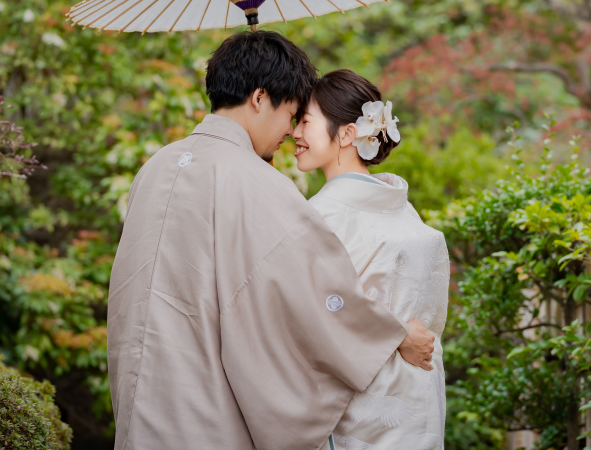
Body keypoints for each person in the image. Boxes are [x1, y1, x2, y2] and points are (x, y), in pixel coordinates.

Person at [107, 31, 436, 450]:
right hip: (204, 408)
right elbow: (310, 292)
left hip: (140, 400)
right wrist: (392, 335)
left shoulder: (155, 167)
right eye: (291, 113)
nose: (288, 131)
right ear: (261, 98)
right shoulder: (254, 180)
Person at [292, 70, 450, 450]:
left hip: (362, 403)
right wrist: (400, 334)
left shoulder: (321, 216)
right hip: (420, 396)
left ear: (346, 134)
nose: (294, 133)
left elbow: (312, 313)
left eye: (306, 121)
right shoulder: (403, 209)